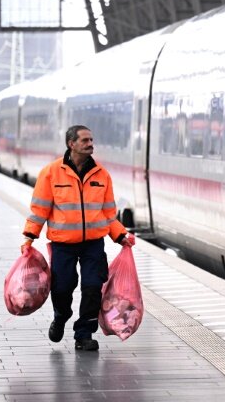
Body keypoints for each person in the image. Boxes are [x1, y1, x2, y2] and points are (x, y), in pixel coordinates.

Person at [21, 125, 135, 351]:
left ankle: (84, 334)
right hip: (63, 244)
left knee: (93, 287)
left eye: (91, 139)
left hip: (93, 243)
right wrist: (29, 237)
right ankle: (61, 316)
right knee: (62, 287)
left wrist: (121, 234)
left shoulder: (102, 175)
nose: (90, 143)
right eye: (85, 140)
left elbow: (108, 214)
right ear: (71, 144)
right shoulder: (51, 173)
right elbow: (40, 209)